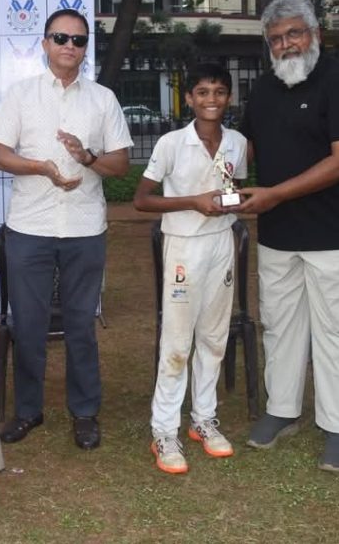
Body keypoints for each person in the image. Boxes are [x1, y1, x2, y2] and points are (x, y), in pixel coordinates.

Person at [237, 0, 339, 473]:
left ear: (314, 34)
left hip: (337, 233)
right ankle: (282, 410)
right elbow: (246, 149)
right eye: (276, 39)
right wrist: (210, 178)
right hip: (279, 235)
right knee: (280, 326)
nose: (285, 45)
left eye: (294, 34)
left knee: (338, 333)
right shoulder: (264, 89)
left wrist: (275, 194)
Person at [0, 8, 132, 450]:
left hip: (85, 227)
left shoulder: (102, 99)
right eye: (61, 37)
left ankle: (85, 412)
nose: (70, 46)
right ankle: (28, 410)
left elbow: (121, 164)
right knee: (28, 325)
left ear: (86, 49)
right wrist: (42, 168)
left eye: (79, 40)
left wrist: (86, 157)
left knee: (80, 327)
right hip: (30, 227)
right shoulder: (21, 94)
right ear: (45, 43)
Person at [133, 62, 247, 474]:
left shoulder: (237, 142)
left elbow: (233, 191)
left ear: (229, 97)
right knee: (178, 342)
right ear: (189, 98)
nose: (211, 99)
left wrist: (235, 202)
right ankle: (164, 430)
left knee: (214, 337)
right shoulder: (170, 143)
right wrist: (192, 202)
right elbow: (142, 199)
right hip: (183, 245)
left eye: (219, 92)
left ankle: (203, 419)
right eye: (202, 92)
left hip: (221, 242)